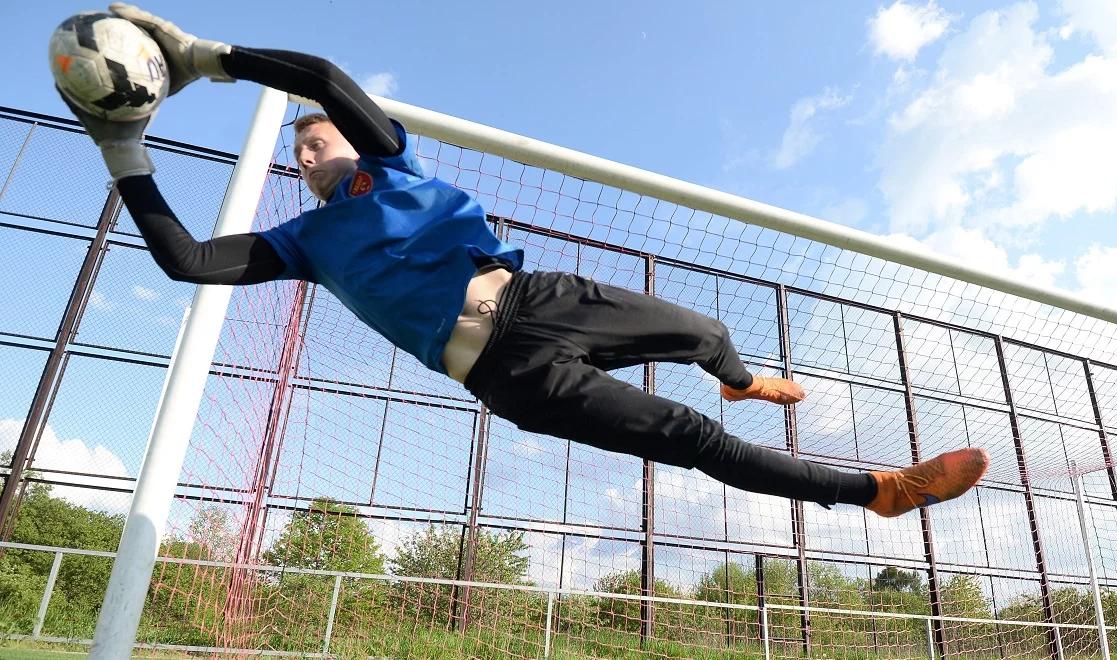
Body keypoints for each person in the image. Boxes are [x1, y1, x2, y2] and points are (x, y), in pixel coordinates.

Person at [62, 3, 988, 519]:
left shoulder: (393, 163)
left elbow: (322, 79)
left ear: (357, 141)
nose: (308, 151)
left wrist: (206, 56)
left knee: (705, 330)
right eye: (297, 152)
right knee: (688, 440)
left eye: (320, 141)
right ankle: (880, 491)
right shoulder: (301, 244)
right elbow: (184, 259)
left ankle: (741, 380)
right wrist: (125, 150)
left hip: (544, 296)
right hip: (509, 371)